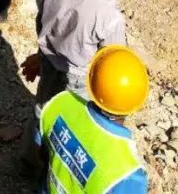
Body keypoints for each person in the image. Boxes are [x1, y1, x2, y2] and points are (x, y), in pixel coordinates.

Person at [36, 45, 149, 193]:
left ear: (91, 80)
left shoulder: (60, 103)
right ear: (136, 103)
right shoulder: (127, 174)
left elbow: (41, 151)